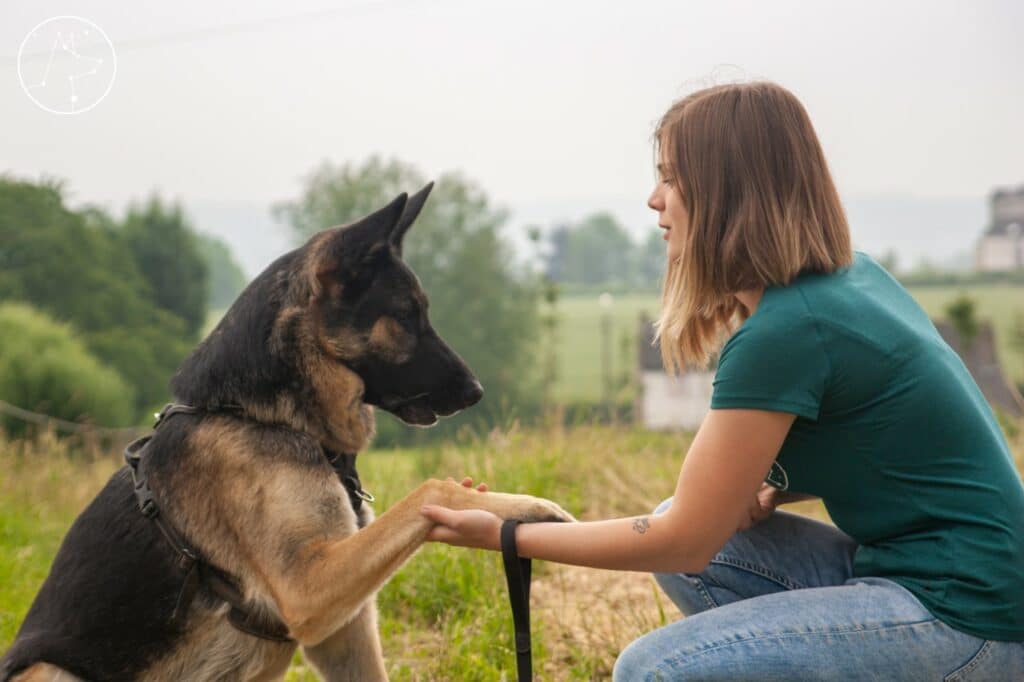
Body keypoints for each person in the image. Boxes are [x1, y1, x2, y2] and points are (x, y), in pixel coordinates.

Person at [419, 81, 1024, 680]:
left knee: (656, 669)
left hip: (968, 621)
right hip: (930, 576)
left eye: (672, 178)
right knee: (690, 546)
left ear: (726, 191)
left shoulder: (788, 331)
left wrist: (507, 535)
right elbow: (891, 443)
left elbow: (682, 539)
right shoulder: (847, 279)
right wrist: (773, 490)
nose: (655, 199)